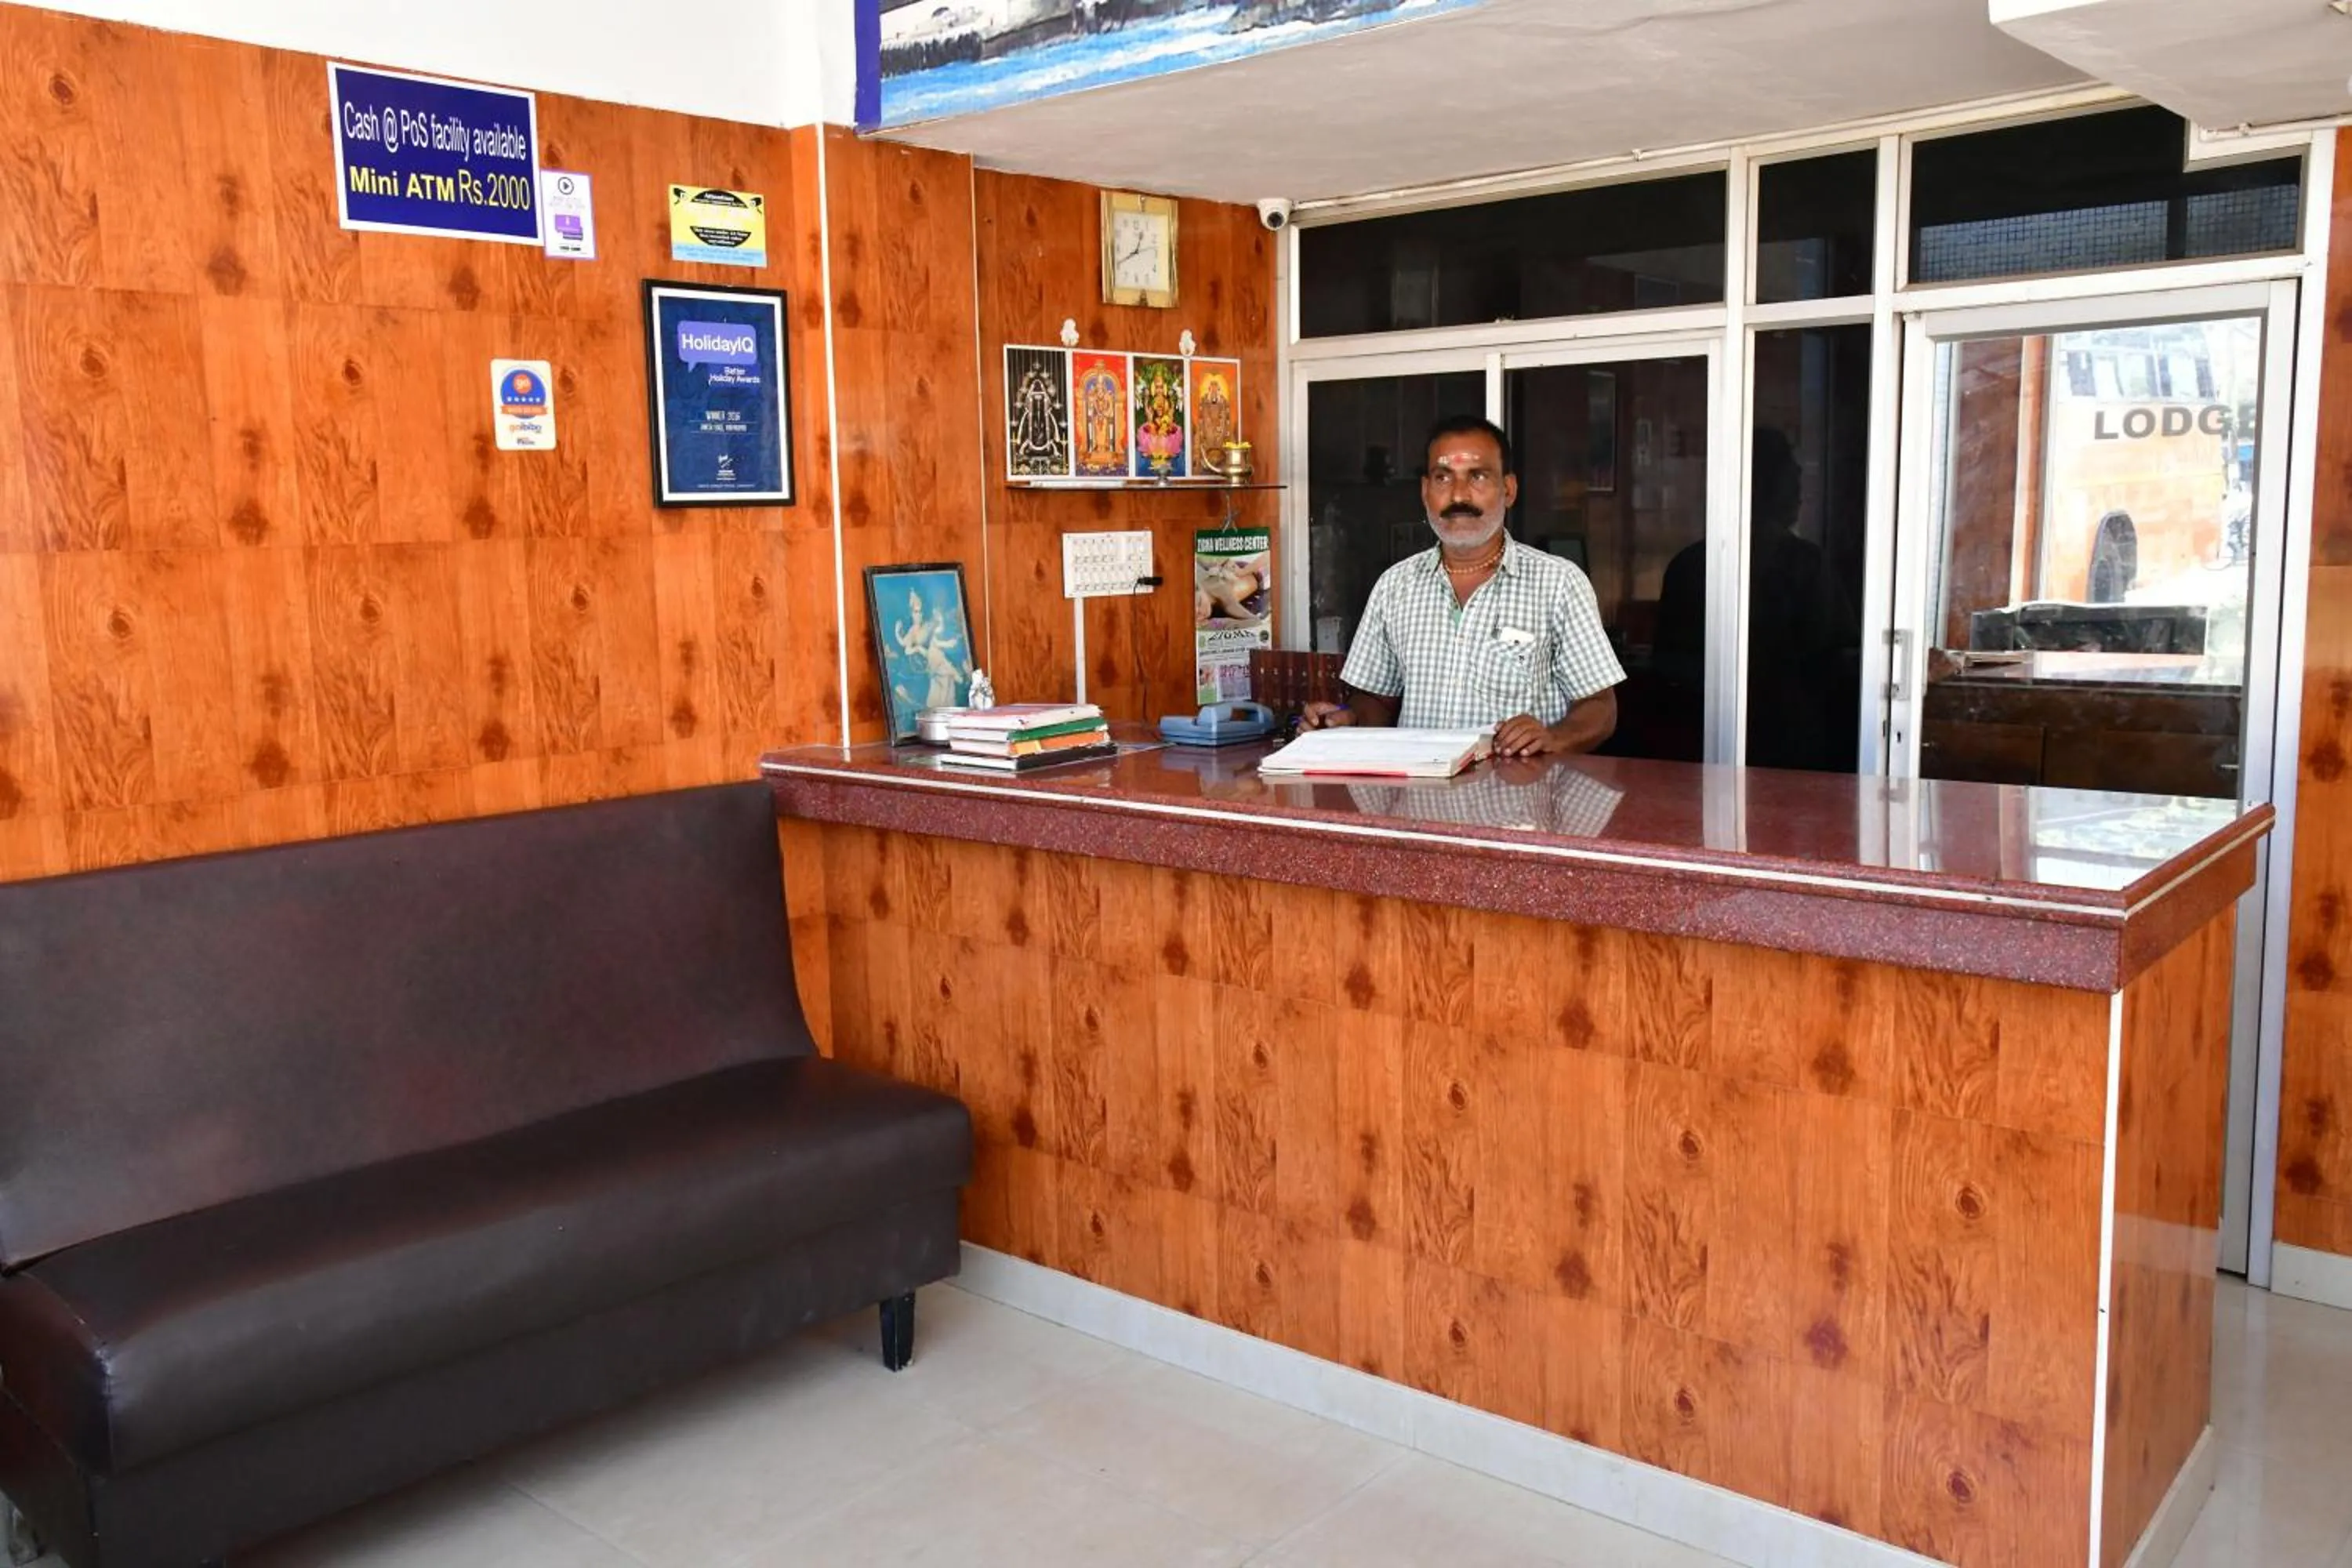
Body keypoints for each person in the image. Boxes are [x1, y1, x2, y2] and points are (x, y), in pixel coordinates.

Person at [1302, 416, 1623, 756]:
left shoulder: (1558, 583)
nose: (1458, 495)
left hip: (1518, 800)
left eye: (1478, 476)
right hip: (1418, 799)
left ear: (1509, 489)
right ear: (1426, 491)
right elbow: (1377, 699)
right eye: (1443, 478)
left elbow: (1600, 707)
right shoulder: (1395, 586)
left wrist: (1554, 738)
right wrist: (1347, 720)